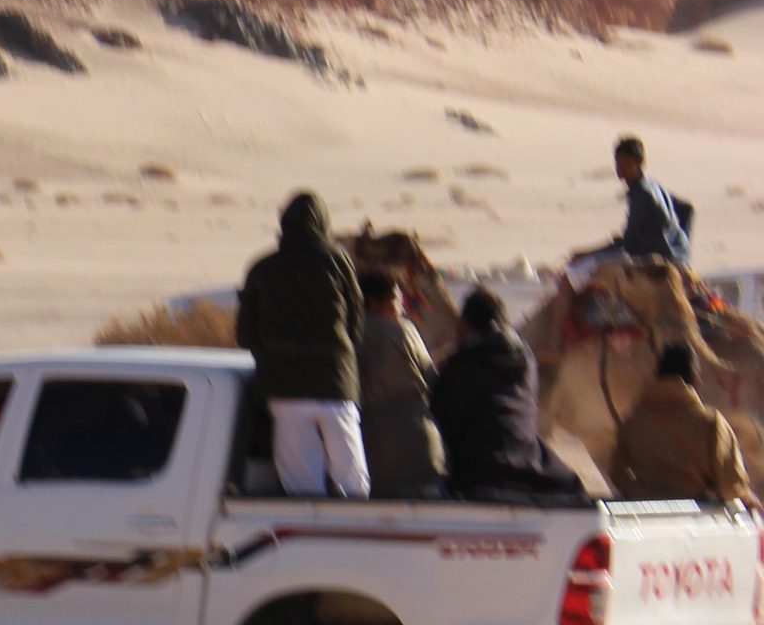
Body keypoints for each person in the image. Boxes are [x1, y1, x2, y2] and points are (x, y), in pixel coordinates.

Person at [235, 191, 370, 497]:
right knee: (353, 482)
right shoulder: (338, 261)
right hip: (336, 384)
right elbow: (355, 325)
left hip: (285, 388)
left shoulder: (262, 268)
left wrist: (271, 355)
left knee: (301, 484)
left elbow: (245, 335)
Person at [430, 287, 586, 500]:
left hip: (478, 474)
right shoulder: (526, 361)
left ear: (465, 325)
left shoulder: (461, 366)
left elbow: (439, 415)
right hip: (529, 464)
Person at [613, 341, 756, 507]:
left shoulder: (634, 422)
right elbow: (730, 487)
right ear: (694, 377)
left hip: (641, 514)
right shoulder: (711, 423)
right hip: (698, 516)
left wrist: (641, 491)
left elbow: (617, 475)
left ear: (657, 375)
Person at [357, 269, 444, 497]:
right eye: (396, 300)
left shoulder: (347, 334)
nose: (402, 307)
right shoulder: (403, 331)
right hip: (416, 442)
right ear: (374, 302)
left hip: (368, 447)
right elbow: (432, 379)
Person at [570, 134, 691, 281]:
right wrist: (682, 243)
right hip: (678, 255)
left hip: (657, 258)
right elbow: (687, 209)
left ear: (639, 162)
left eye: (626, 162)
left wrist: (587, 253)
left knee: (579, 268)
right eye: (617, 162)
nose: (620, 167)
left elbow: (627, 242)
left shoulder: (640, 193)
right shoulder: (653, 185)